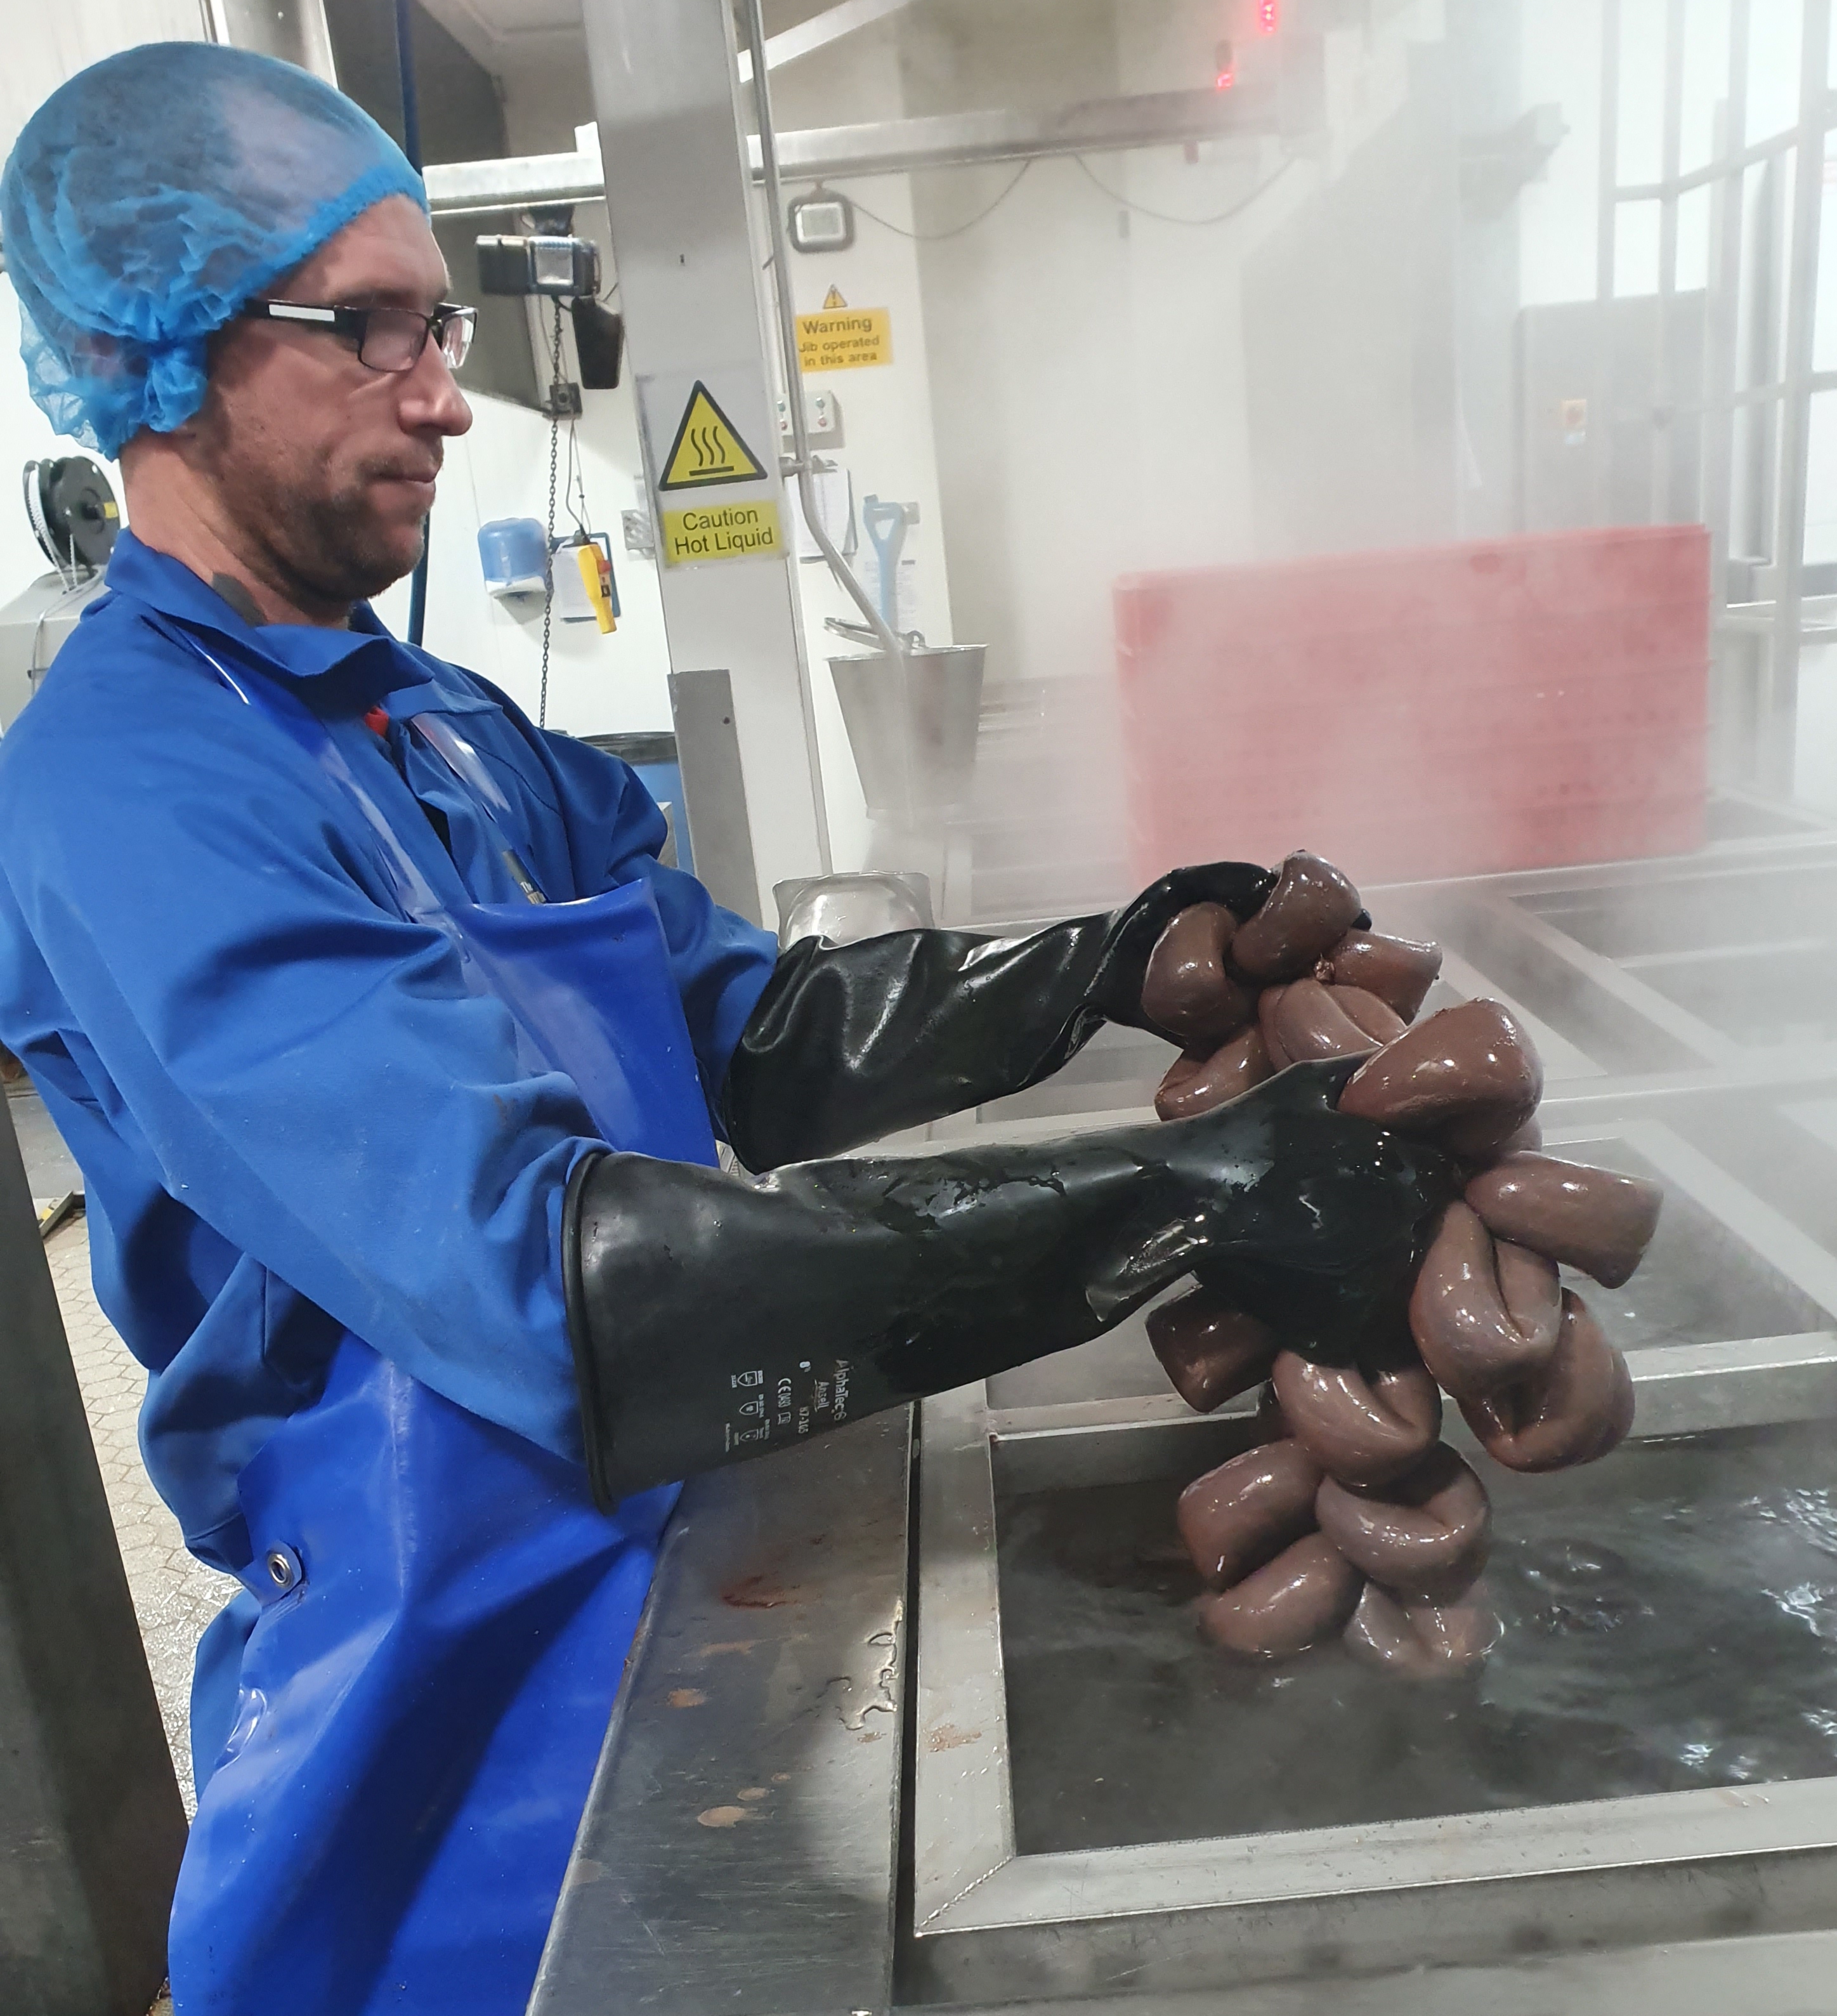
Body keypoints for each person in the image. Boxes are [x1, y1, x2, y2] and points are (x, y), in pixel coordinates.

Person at [0, 43, 1453, 2016]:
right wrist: (1182, 1199)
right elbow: (558, 1281)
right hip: (446, 1690)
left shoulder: (437, 722)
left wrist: (1104, 967)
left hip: (680, 1559)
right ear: (169, 346)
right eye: (375, 327)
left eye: (446, 323)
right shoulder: (131, 790)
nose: (444, 387)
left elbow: (748, 1026)